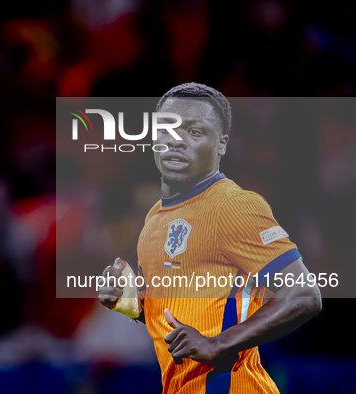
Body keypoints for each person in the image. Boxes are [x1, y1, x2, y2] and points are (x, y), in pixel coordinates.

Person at [98, 83, 322, 394]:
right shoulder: (153, 220)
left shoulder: (233, 205)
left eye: (195, 132)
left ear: (221, 145)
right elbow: (178, 321)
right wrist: (132, 304)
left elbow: (304, 294)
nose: (177, 141)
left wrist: (218, 344)